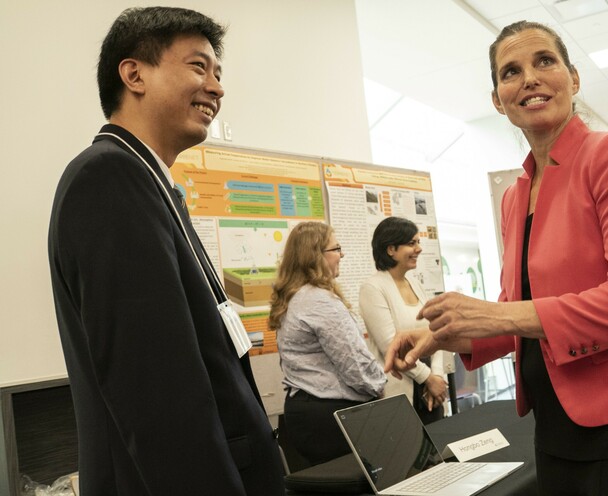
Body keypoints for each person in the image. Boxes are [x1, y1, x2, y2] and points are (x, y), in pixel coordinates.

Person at [385, 21, 608, 496]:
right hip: (554, 424)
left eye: (544, 62)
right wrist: (440, 334)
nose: (528, 78)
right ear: (497, 99)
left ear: (573, 78)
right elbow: (518, 309)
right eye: (511, 71)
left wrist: (496, 313)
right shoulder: (515, 195)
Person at [47, 7, 285, 495]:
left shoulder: (149, 181)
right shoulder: (108, 178)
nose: (217, 88)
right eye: (199, 67)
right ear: (134, 74)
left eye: (218, 74)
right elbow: (159, 398)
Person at [269, 222, 386, 466]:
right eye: (336, 248)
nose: (341, 254)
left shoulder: (295, 295)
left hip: (304, 411)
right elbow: (354, 364)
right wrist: (379, 387)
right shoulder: (320, 301)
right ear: (316, 256)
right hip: (330, 416)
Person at [359, 217, 447, 424]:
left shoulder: (415, 284)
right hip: (401, 391)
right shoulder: (373, 288)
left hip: (431, 390)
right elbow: (390, 345)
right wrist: (428, 378)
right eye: (411, 243)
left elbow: (436, 331)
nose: (419, 249)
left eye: (418, 242)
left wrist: (438, 375)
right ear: (391, 249)